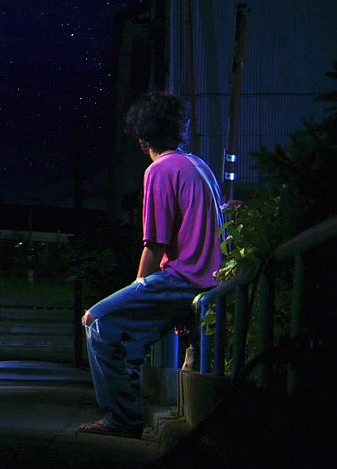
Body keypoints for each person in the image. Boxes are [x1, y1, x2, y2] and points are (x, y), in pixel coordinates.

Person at [78, 91, 224, 439]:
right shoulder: (198, 165)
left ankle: (122, 418)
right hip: (207, 280)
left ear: (142, 138)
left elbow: (155, 244)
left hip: (183, 278)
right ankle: (127, 412)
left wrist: (137, 288)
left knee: (97, 321)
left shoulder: (159, 170)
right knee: (128, 337)